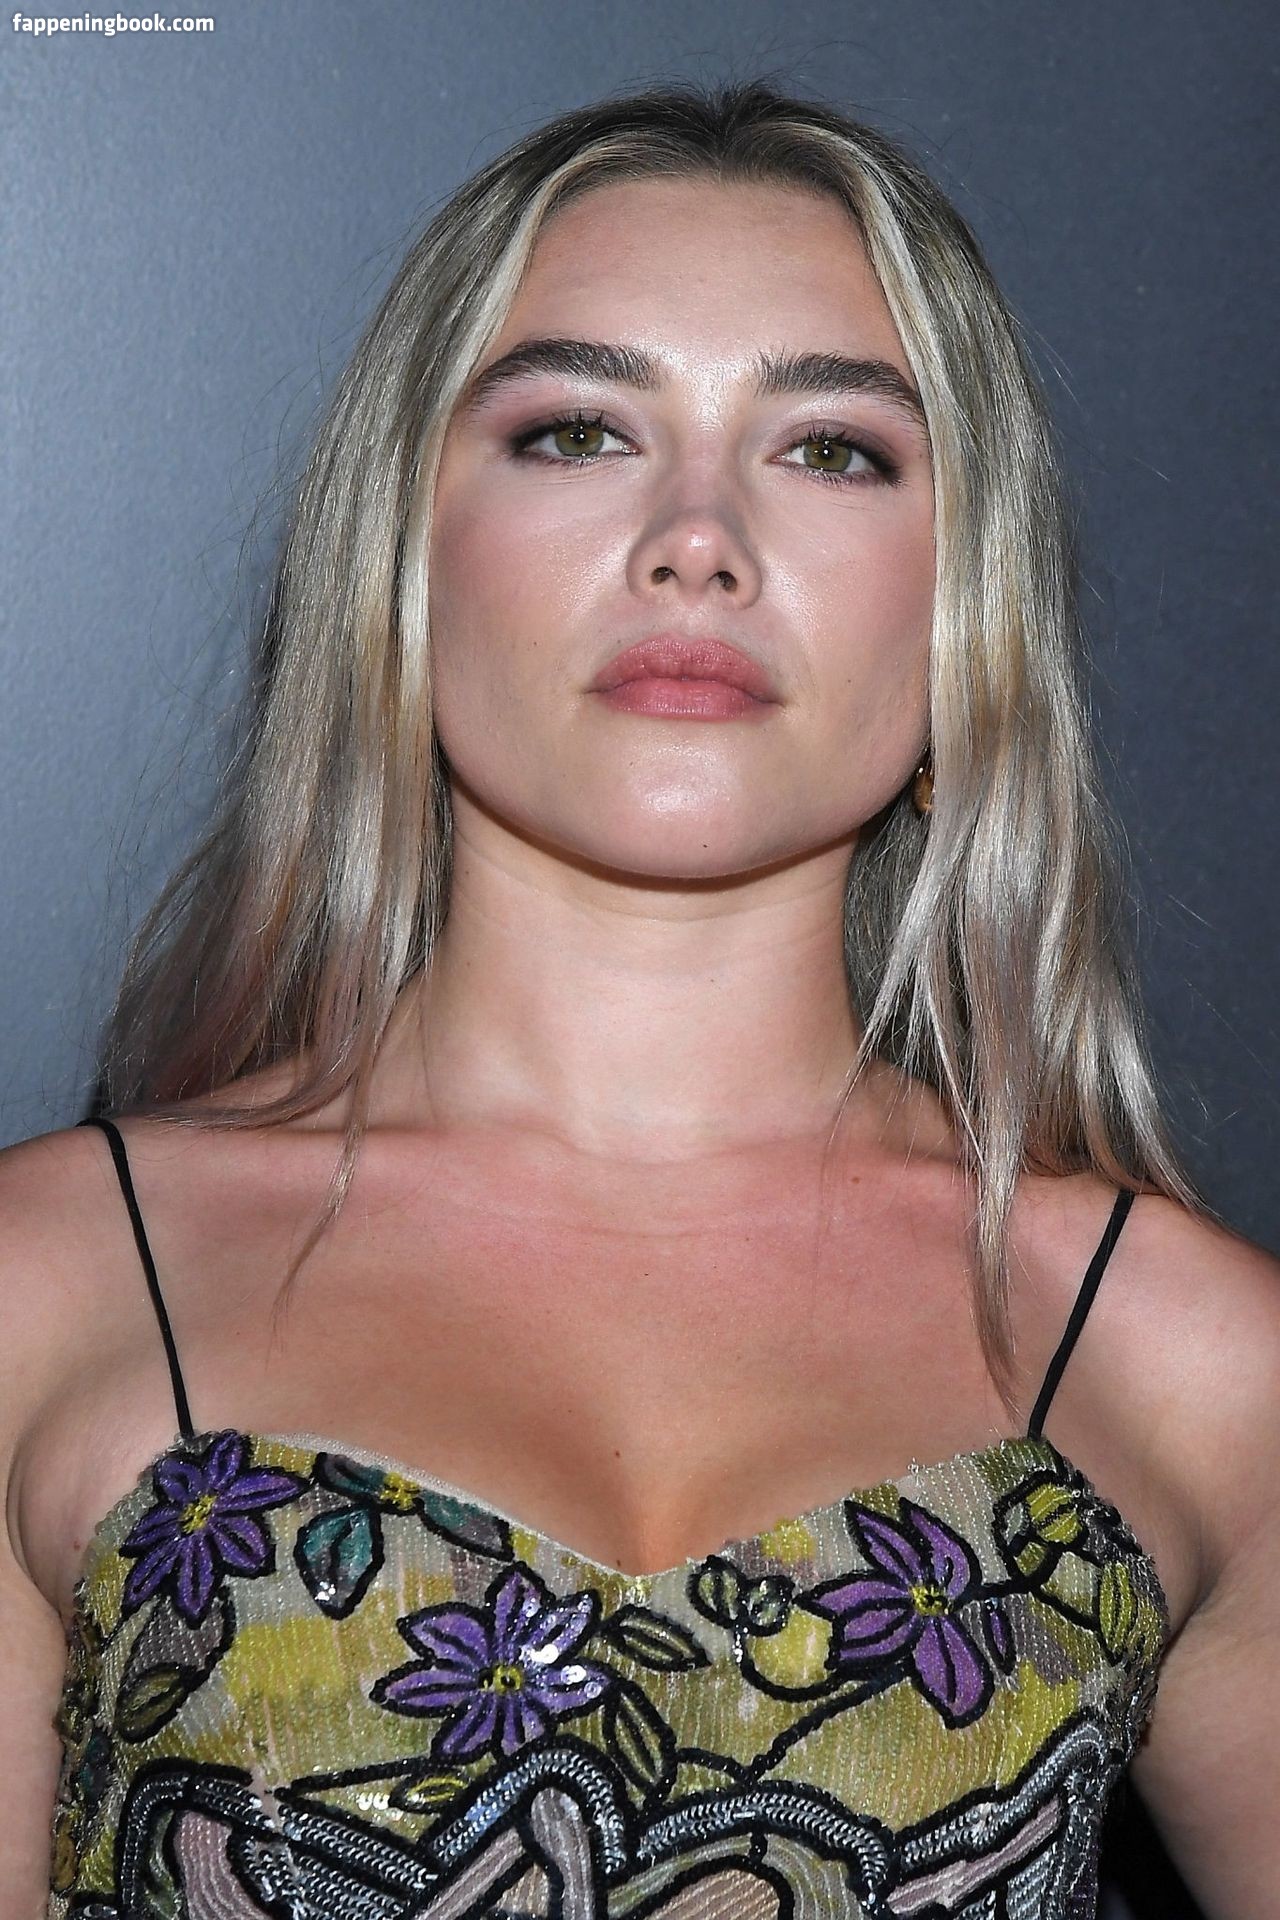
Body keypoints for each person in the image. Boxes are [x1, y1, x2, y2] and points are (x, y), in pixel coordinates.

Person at [0, 78, 1274, 1919]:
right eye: (579, 431)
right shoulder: (46, 1293)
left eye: (832, 450)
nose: (697, 538)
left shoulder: (1192, 1360)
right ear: (402, 563)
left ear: (966, 607)